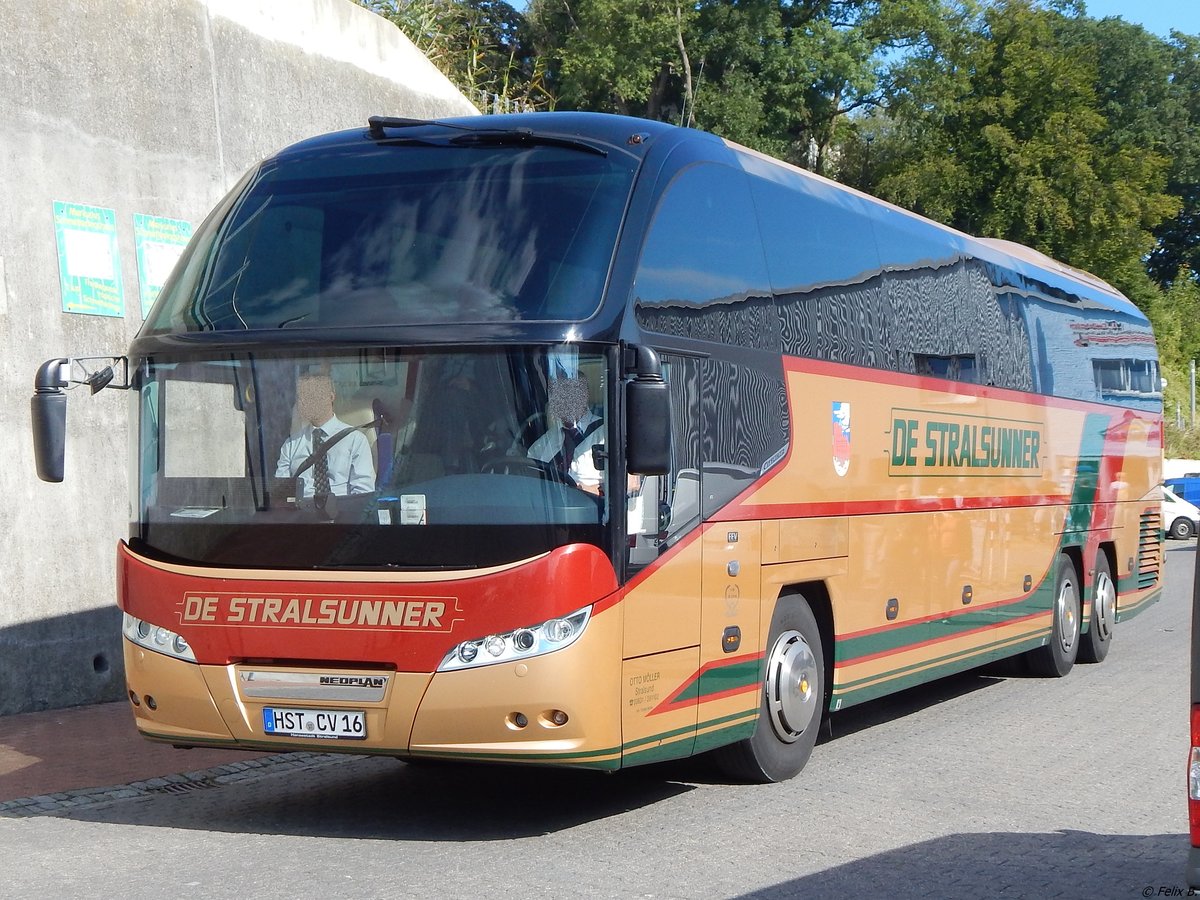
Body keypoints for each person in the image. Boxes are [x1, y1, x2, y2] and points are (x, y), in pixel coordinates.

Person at [276, 368, 375, 498]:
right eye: (302, 396)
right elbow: (280, 494)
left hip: (342, 512)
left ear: (331, 397)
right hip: (300, 514)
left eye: (313, 395)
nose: (305, 402)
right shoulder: (290, 445)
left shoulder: (355, 440)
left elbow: (363, 494)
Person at [527, 375, 604, 494]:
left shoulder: (606, 434)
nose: (564, 400)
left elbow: (631, 483)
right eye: (557, 395)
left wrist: (599, 490)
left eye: (570, 393)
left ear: (584, 396)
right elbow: (528, 477)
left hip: (593, 507)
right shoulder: (544, 442)